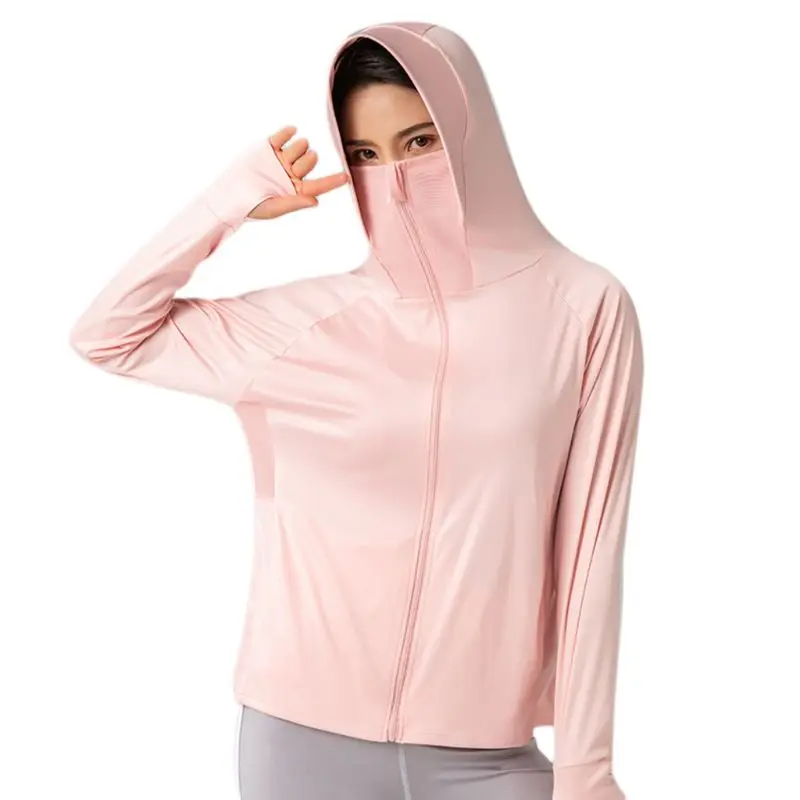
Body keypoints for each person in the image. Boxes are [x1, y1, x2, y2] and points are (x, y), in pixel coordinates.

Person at [69, 21, 644, 800]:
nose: (396, 179)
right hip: (301, 743)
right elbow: (108, 334)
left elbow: (590, 553)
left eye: (420, 142)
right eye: (366, 154)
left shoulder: (582, 307)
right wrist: (228, 204)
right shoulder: (306, 324)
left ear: (470, 134)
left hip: (486, 757)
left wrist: (585, 770)